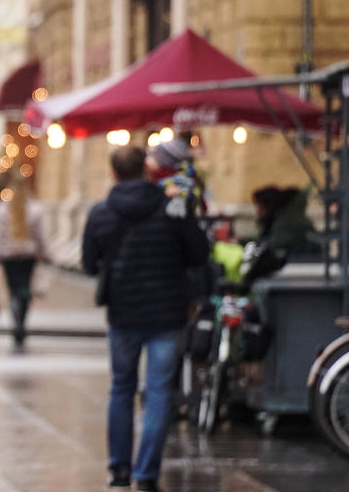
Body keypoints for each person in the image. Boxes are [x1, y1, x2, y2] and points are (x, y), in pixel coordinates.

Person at [82, 146, 209, 492]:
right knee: (158, 392)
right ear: (147, 171)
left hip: (123, 312)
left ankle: (119, 471)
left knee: (121, 387)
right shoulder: (172, 208)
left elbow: (89, 264)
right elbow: (199, 254)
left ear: (113, 173)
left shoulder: (101, 213)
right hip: (167, 312)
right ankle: (147, 473)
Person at [0, 172, 47, 350]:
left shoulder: (1, 208)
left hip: (9, 255)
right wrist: (44, 251)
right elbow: (40, 235)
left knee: (13, 289)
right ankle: (21, 321)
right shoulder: (35, 208)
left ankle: (16, 321)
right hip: (27, 254)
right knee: (25, 288)